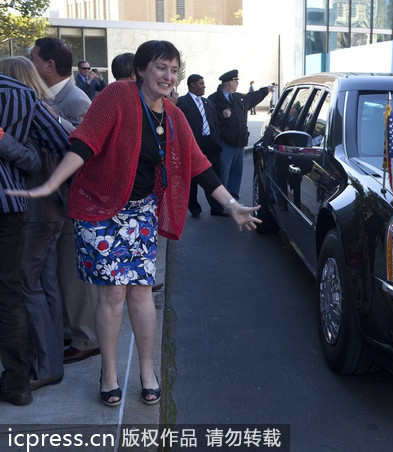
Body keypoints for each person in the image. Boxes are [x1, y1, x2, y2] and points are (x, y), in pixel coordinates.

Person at [7, 40, 261, 407]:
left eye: (174, 70)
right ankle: (108, 372)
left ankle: (147, 370)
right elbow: (84, 143)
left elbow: (197, 162)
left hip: (140, 212)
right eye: (160, 67)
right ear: (141, 70)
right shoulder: (116, 96)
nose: (168, 76)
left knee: (141, 292)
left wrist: (232, 204)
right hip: (99, 210)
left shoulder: (172, 115)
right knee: (112, 293)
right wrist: (51, 182)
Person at [0, 73, 70, 407]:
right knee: (40, 284)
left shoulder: (30, 105)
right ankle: (48, 363)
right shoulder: (42, 106)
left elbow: (43, 154)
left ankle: (45, 365)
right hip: (42, 207)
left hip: (36, 208)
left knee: (28, 286)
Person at [29, 37, 100, 365]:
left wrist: (55, 120)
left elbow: (88, 150)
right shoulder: (46, 96)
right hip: (57, 201)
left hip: (73, 200)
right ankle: (73, 331)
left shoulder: (76, 99)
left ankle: (87, 338)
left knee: (74, 274)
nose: (31, 65)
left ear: (49, 66)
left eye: (34, 60)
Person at [208, 70, 271, 200]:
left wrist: (266, 90)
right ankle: (220, 204)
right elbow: (209, 121)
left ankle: (233, 202)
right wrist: (222, 116)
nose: (237, 83)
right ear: (229, 83)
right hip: (225, 144)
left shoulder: (238, 98)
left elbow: (253, 97)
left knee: (236, 174)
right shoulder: (213, 99)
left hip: (239, 143)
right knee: (222, 175)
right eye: (236, 81)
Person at [177, 74, 225, 217]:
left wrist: (217, 140)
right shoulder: (182, 103)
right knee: (192, 180)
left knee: (214, 176)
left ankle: (216, 208)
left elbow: (215, 123)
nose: (204, 86)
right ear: (192, 85)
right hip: (193, 145)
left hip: (211, 145)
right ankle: (194, 208)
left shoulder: (208, 103)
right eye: (201, 83)